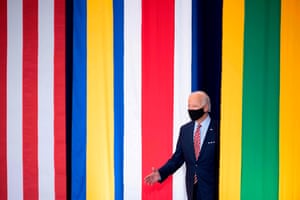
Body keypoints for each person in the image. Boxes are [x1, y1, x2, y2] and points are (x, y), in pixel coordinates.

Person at [144, 91, 219, 200]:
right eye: (189, 106)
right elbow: (177, 159)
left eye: (195, 106)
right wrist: (161, 173)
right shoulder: (185, 130)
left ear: (206, 107)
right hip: (193, 190)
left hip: (214, 190)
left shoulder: (219, 129)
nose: (191, 109)